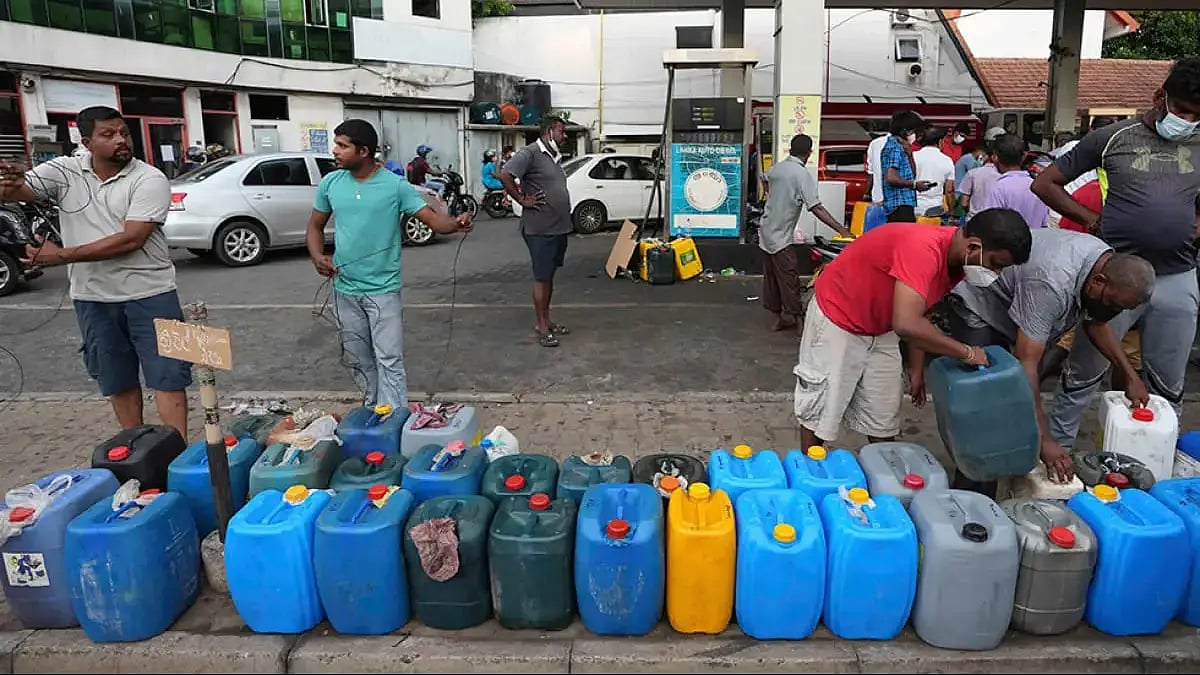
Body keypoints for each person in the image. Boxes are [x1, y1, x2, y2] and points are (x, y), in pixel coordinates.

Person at [1032, 56, 1200, 453]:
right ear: (1160, 97)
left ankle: (1157, 457)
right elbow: (1046, 183)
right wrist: (1091, 221)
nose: (1188, 121)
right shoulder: (1113, 138)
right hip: (1114, 277)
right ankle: (1057, 454)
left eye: (1197, 115)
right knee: (1083, 373)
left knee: (1168, 381)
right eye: (1181, 110)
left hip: (1177, 276)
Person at [0, 106, 191, 437]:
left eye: (124, 133)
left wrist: (59, 256)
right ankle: (136, 451)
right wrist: (10, 184)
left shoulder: (149, 178)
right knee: (117, 379)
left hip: (153, 295)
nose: (120, 140)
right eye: (109, 134)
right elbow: (23, 190)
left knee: (169, 376)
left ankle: (174, 456)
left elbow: (132, 239)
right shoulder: (65, 171)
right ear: (87, 142)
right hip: (93, 299)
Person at [919, 229, 1155, 494]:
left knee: (1012, 401)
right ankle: (973, 495)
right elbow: (1026, 364)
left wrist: (1131, 376)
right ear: (1099, 281)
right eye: (1113, 304)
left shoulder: (1102, 266)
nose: (1115, 312)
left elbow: (1096, 321)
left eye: (1122, 309)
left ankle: (1004, 475)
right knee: (987, 400)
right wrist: (1045, 440)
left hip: (1016, 307)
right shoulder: (1053, 282)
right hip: (980, 303)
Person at [793, 209, 1033, 451]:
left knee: (883, 420)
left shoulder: (957, 261)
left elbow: (921, 310)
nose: (996, 274)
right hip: (839, 317)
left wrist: (916, 368)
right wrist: (967, 352)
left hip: (881, 326)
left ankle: (886, 471)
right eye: (995, 265)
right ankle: (808, 472)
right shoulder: (924, 250)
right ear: (972, 247)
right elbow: (906, 324)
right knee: (822, 413)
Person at [305, 119, 472, 408]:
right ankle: (372, 408)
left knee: (389, 359)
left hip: (383, 291)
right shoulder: (331, 183)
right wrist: (318, 256)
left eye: (342, 146)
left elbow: (433, 220)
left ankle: (394, 417)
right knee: (357, 358)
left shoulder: (396, 186)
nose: (335, 151)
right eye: (336, 144)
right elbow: (315, 226)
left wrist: (455, 224)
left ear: (364, 151)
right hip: (344, 289)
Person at [759, 134, 852, 332]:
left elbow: (764, 179)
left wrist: (773, 197)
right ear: (809, 153)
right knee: (789, 276)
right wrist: (842, 229)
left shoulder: (778, 168)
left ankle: (777, 317)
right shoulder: (801, 174)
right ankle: (797, 319)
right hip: (780, 236)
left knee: (771, 277)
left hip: (766, 230)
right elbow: (816, 207)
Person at [498, 115, 573, 348]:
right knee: (542, 277)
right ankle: (541, 326)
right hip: (540, 229)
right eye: (562, 131)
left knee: (548, 276)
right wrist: (521, 199)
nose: (565, 136)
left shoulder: (553, 157)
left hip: (557, 228)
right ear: (549, 132)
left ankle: (547, 321)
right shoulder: (530, 153)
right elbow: (505, 174)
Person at [981, 134, 1050, 229]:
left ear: (995, 157)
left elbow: (991, 224)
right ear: (1023, 157)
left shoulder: (998, 189)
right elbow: (1045, 222)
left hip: (1008, 242)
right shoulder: (1038, 187)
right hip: (1037, 240)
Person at [880, 110, 935, 222]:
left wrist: (909, 155)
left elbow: (912, 175)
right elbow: (891, 177)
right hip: (898, 206)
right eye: (915, 131)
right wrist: (914, 185)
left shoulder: (903, 148)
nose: (917, 135)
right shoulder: (894, 147)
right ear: (905, 131)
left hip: (905, 204)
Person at [913, 125, 956, 218]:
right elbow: (949, 191)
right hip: (935, 209)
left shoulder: (913, 157)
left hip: (913, 207)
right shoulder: (947, 160)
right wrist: (952, 212)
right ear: (940, 141)